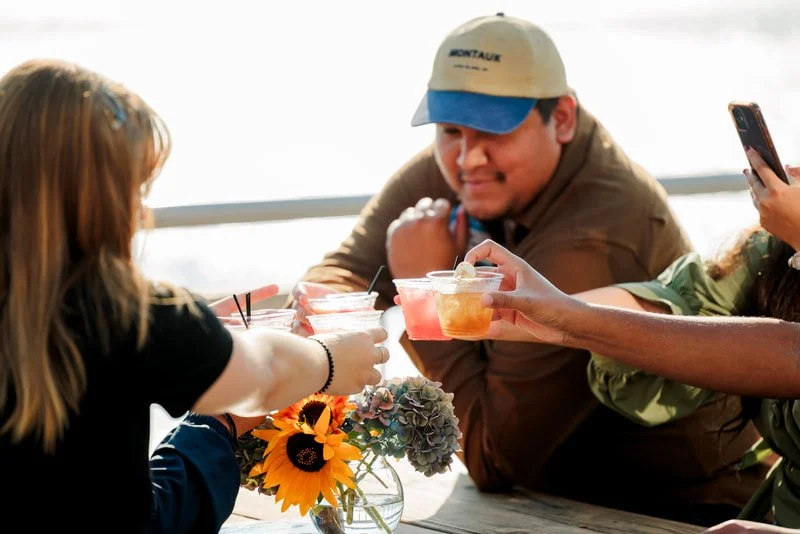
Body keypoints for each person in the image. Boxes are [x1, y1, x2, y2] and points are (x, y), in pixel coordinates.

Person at [287, 13, 764, 524]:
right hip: (554, 494)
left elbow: (494, 457)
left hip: (670, 512)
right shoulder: (476, 163)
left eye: (492, 130)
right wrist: (319, 322)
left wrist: (426, 298)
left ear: (560, 118)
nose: (468, 159)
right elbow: (340, 273)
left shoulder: (596, 234)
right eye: (449, 130)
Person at [0, 59, 389, 531]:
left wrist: (199, 333)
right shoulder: (130, 314)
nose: (142, 212)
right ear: (100, 197)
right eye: (134, 187)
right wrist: (326, 360)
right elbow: (262, 378)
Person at [460, 149, 800, 529]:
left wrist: (571, 320)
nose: (793, 170)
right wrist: (549, 309)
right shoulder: (771, 252)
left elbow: (791, 353)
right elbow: (677, 305)